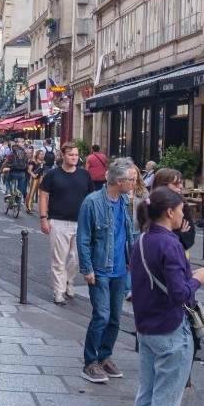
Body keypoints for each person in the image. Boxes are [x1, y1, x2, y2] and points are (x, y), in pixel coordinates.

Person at [131, 188, 204, 406]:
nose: (184, 215)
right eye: (182, 210)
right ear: (169, 212)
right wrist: (199, 279)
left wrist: (189, 278)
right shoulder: (171, 245)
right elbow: (180, 293)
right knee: (166, 401)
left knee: (147, 394)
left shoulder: (142, 240)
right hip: (170, 328)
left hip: (146, 326)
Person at [77, 157, 138, 383]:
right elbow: (83, 238)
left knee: (115, 318)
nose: (134, 183)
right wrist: (87, 268)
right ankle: (90, 362)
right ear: (119, 181)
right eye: (131, 179)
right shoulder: (92, 202)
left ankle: (105, 357)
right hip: (101, 268)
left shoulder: (125, 201)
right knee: (101, 315)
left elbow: (129, 234)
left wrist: (134, 262)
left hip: (121, 270)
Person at [39, 143, 93, 306]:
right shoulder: (53, 175)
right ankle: (59, 291)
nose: (74, 157)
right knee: (59, 259)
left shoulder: (85, 175)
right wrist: (43, 218)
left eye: (76, 155)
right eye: (71, 155)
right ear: (63, 155)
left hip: (81, 223)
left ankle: (69, 281)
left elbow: (91, 198)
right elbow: (43, 196)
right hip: (58, 221)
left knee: (76, 259)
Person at [151, 168, 196, 250]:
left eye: (181, 183)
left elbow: (190, 236)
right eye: (176, 184)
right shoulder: (150, 203)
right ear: (162, 185)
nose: (181, 186)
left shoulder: (183, 204)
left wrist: (179, 235)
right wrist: (179, 234)